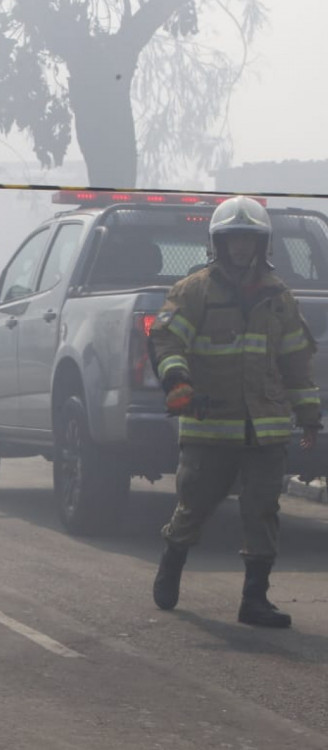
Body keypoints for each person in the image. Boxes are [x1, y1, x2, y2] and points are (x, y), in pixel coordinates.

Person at [150, 195, 320, 628]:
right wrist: (178, 382)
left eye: (249, 240)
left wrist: (309, 416)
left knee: (263, 510)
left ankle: (254, 600)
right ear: (218, 244)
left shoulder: (279, 298)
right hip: (210, 427)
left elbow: (296, 361)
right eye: (233, 240)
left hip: (265, 430)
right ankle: (173, 559)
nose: (241, 248)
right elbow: (168, 343)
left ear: (261, 245)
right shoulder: (194, 291)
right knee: (194, 508)